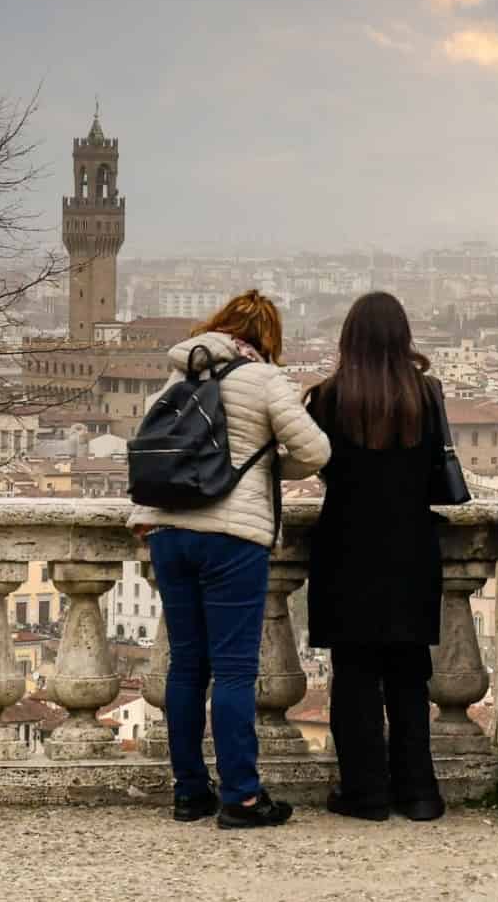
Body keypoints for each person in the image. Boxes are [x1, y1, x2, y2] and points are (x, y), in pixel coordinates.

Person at [129, 290, 330, 830]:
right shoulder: (263, 379)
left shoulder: (180, 376)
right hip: (232, 536)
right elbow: (315, 452)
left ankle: (189, 791)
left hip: (169, 531)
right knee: (236, 672)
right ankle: (241, 796)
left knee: (186, 666)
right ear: (267, 338)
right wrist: (264, 468)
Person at [305, 291, 448, 824]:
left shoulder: (327, 397)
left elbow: (319, 467)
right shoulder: (427, 395)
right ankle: (420, 793)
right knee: (410, 673)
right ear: (403, 337)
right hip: (411, 545)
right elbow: (437, 475)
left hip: (347, 545)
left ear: (350, 339)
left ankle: (364, 792)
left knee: (356, 673)